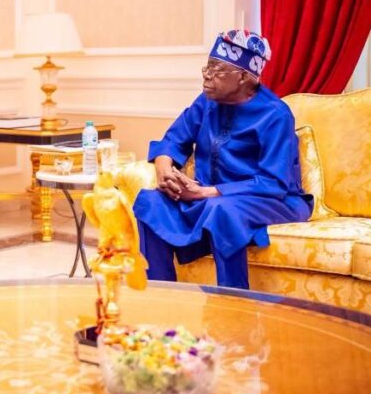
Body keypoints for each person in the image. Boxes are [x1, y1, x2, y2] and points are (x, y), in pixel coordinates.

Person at [133, 30, 312, 289]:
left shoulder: (275, 115)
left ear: (243, 77)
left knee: (223, 210)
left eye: (217, 70)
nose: (207, 75)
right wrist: (165, 171)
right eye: (207, 66)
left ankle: (233, 307)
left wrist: (206, 192)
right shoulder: (207, 102)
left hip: (274, 200)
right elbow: (173, 139)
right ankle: (162, 299)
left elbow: (273, 182)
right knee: (152, 202)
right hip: (210, 199)